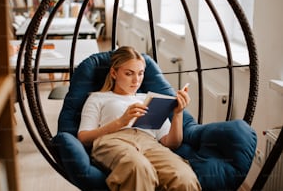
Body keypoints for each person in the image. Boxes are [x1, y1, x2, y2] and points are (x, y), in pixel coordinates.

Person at [77, 46, 201, 191]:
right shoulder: (98, 98)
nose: (136, 80)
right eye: (129, 73)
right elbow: (83, 137)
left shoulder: (149, 100)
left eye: (140, 73)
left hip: (150, 143)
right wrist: (120, 122)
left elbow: (171, 144)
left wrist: (178, 114)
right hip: (113, 141)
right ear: (114, 73)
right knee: (138, 168)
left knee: (183, 177)